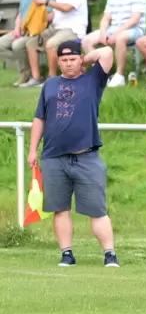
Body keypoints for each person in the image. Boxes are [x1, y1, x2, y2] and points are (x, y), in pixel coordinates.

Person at [28, 41, 120, 268]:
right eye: (64, 60)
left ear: (80, 59)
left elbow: (107, 52)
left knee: (97, 209)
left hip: (86, 156)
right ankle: (67, 253)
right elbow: (40, 118)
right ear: (58, 62)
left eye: (73, 59)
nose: (68, 63)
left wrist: (84, 59)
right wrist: (32, 150)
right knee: (60, 208)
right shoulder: (49, 85)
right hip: (53, 157)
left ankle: (109, 254)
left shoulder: (93, 80)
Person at [81, 0, 146, 87]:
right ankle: (101, 73)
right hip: (114, 28)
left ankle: (119, 75)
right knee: (87, 40)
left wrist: (115, 34)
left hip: (135, 29)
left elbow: (135, 18)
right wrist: (102, 32)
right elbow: (106, 18)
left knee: (121, 38)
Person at [27, 0, 89, 84]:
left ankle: (52, 78)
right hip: (56, 28)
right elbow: (55, 15)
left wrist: (46, 2)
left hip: (72, 30)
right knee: (31, 42)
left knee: (51, 44)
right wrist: (36, 20)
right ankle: (35, 78)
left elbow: (67, 8)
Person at [0, 0, 56, 87]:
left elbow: (52, 14)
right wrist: (16, 28)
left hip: (37, 30)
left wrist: (34, 24)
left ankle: (27, 74)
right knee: (2, 44)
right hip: (23, 28)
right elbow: (21, 12)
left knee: (17, 45)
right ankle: (27, 70)